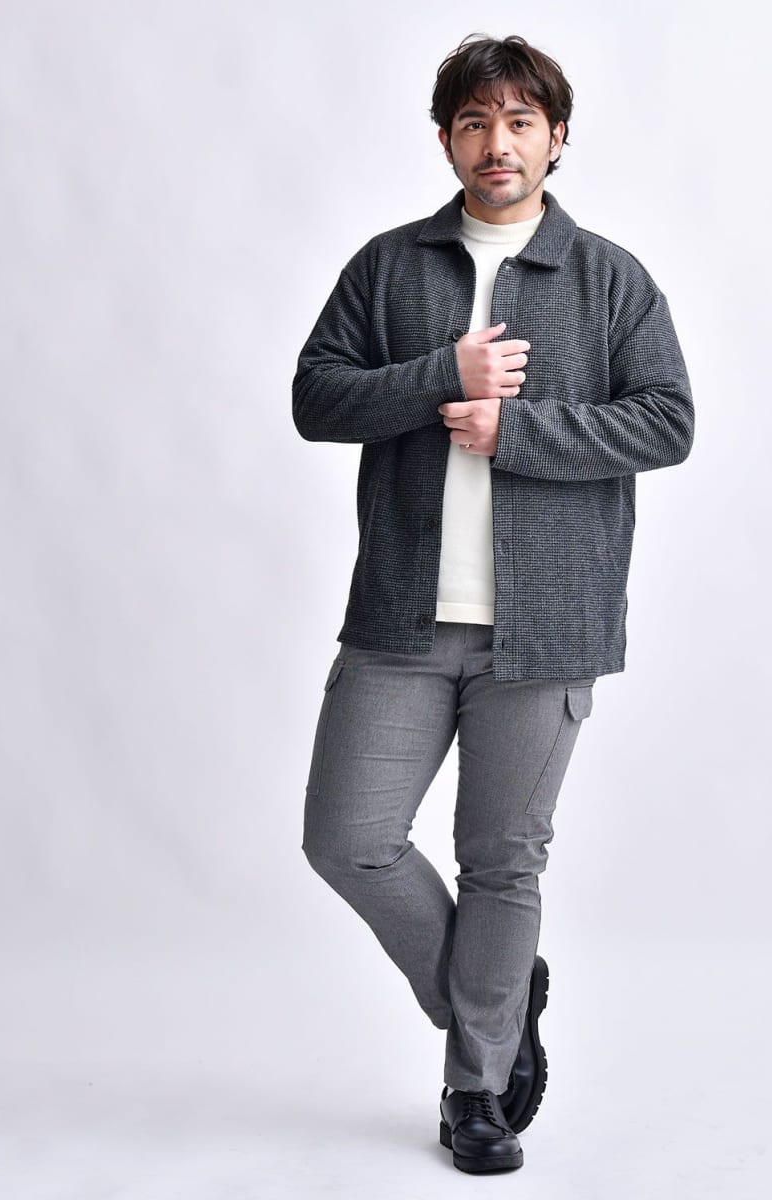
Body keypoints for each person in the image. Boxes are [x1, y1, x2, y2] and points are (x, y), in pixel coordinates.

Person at [293, 33, 693, 1174]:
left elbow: (667, 421)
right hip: (401, 620)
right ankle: (502, 1002)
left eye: (520, 121)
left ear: (556, 138)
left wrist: (516, 430)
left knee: (503, 864)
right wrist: (441, 378)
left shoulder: (609, 278)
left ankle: (476, 1089)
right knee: (348, 839)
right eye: (475, 122)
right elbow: (317, 398)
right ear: (447, 141)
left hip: (549, 625)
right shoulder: (388, 267)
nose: (497, 142)